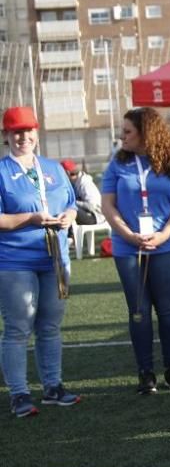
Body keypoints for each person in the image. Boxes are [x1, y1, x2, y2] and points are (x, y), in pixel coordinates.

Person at [101, 107, 170, 395]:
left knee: (167, 308)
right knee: (138, 310)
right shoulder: (117, 163)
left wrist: (164, 233)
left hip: (166, 245)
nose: (122, 137)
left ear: (146, 133)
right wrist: (128, 235)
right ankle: (145, 374)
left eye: (128, 131)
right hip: (128, 248)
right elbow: (107, 204)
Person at [0, 106, 80, 417]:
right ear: (7, 136)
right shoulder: (2, 171)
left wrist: (68, 217)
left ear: (37, 132)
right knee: (18, 328)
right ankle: (19, 393)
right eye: (16, 131)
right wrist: (31, 218)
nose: (23, 136)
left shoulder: (53, 167)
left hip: (55, 257)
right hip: (15, 259)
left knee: (50, 326)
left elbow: (72, 203)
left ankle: (52, 386)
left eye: (28, 130)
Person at [60, 159, 105, 226]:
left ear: (67, 173)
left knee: (69, 209)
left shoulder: (85, 184)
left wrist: (74, 202)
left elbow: (92, 206)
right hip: (89, 214)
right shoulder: (75, 182)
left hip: (95, 217)